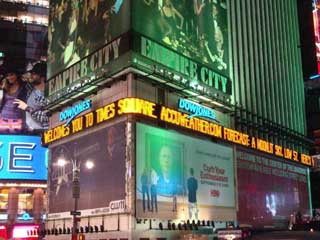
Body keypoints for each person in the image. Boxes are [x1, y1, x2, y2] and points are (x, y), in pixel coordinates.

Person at [14, 62, 49, 131]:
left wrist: (27, 108)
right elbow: (20, 79)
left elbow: (46, 117)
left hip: (40, 132)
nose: (31, 75)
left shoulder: (47, 95)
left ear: (41, 76)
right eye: (32, 73)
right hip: (27, 130)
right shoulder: (30, 88)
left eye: (34, 73)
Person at [0, 66, 28, 132]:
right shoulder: (5, 87)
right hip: (3, 118)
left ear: (17, 75)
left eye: (11, 75)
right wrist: (2, 89)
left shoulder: (23, 87)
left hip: (17, 120)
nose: (9, 77)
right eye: (7, 76)